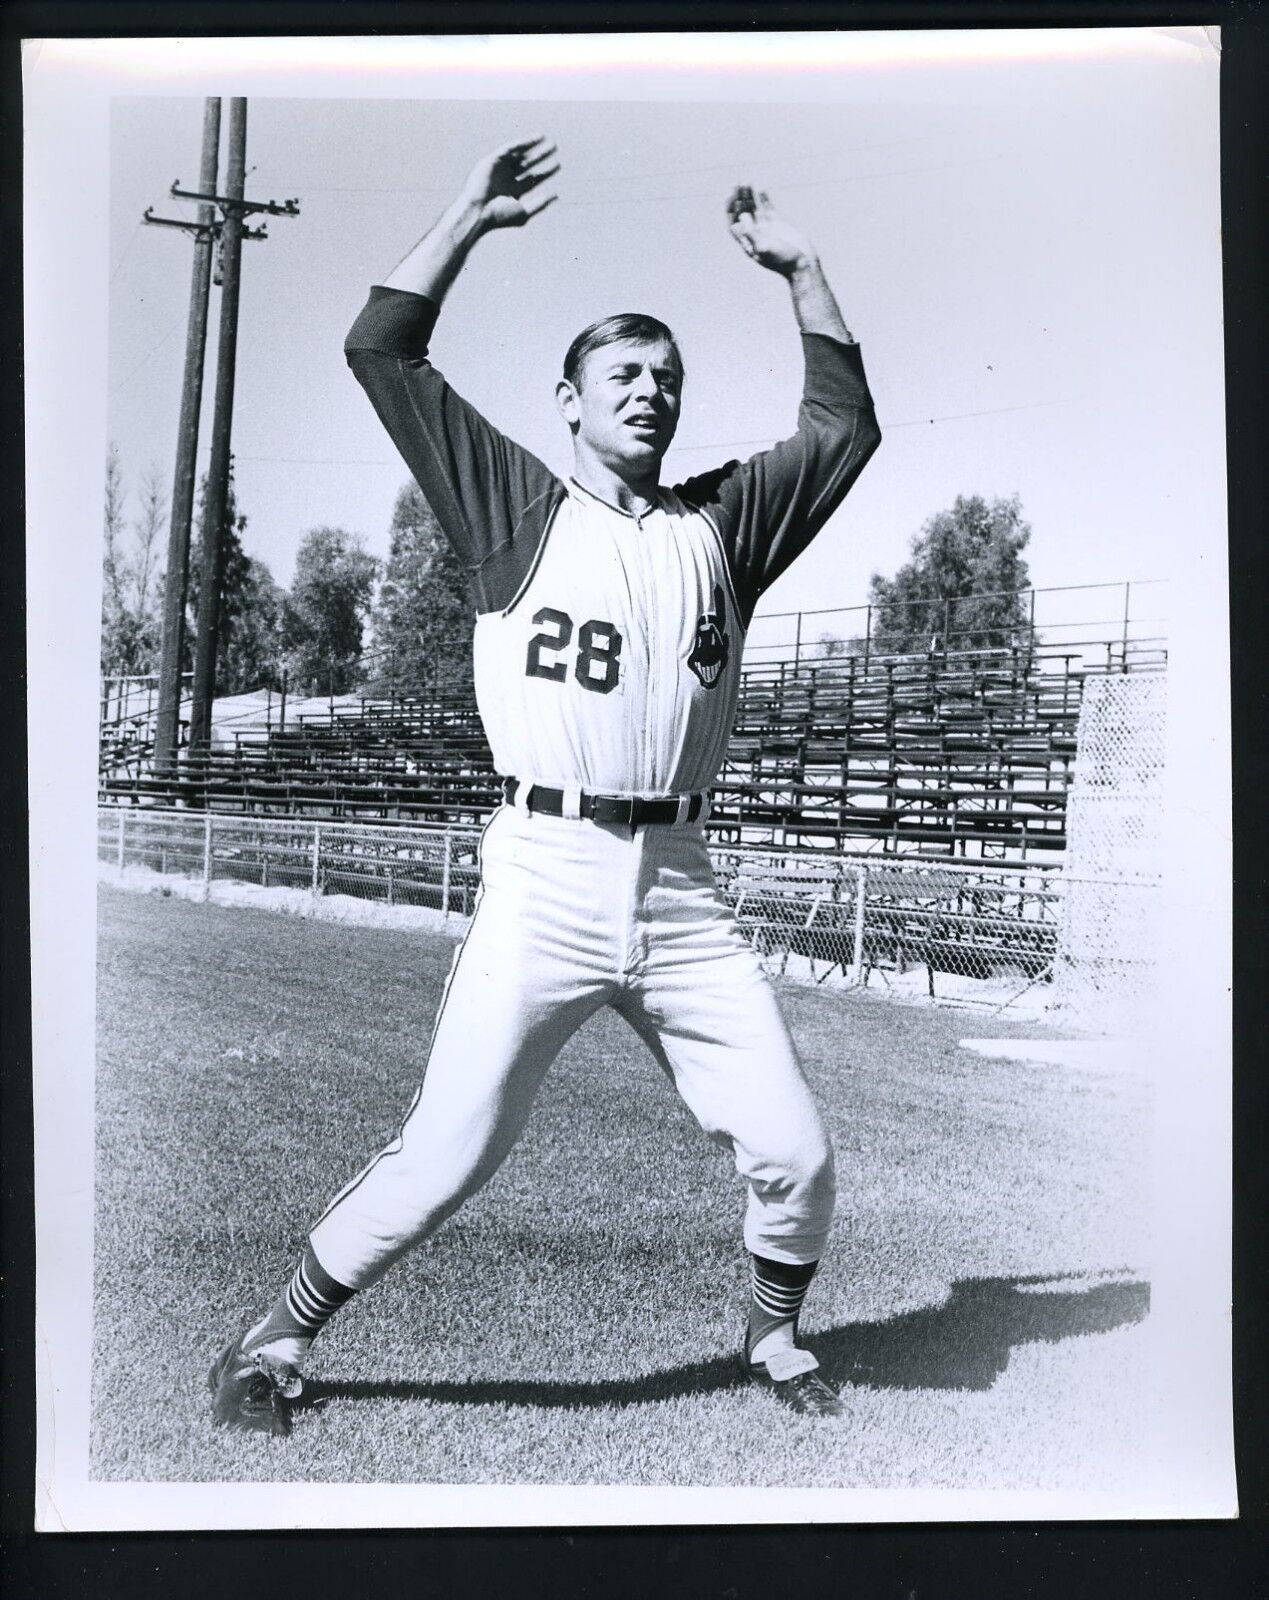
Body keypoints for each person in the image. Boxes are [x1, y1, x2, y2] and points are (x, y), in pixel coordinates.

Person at [209, 136, 881, 1434]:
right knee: (446, 1153)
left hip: (677, 887)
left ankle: (773, 1332)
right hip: (546, 880)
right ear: (566, 401)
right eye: (619, 374)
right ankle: (274, 1342)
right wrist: (464, 211)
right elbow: (381, 353)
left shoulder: (722, 525)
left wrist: (802, 271)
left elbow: (841, 427)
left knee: (793, 1148)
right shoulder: (511, 503)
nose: (648, 390)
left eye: (666, 377)